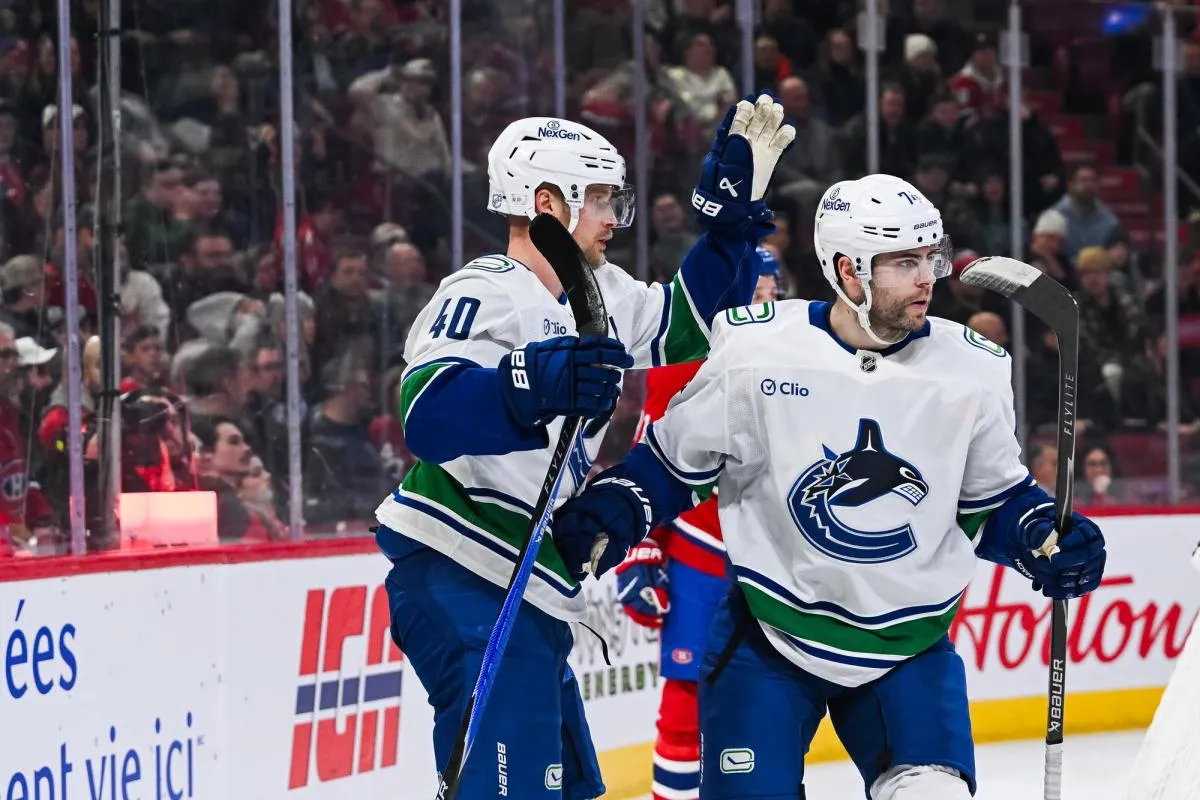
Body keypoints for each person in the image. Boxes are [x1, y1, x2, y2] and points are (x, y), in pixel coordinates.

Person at [553, 174, 1108, 800]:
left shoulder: (973, 367)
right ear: (848, 270)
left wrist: (1041, 534)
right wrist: (616, 508)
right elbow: (673, 462)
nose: (928, 276)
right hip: (770, 634)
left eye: (931, 256)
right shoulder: (758, 348)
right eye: (903, 262)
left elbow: (992, 500)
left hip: (908, 642)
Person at [373, 95, 795, 798]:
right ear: (547, 201)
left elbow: (686, 326)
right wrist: (530, 383)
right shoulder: (487, 290)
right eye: (600, 199)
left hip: (528, 585)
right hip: (463, 567)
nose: (612, 218)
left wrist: (725, 230)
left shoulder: (603, 292)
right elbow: (427, 412)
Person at [617, 245, 782, 800]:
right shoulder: (680, 359)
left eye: (770, 289)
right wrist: (642, 552)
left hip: (775, 555)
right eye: (755, 288)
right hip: (700, 551)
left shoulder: (802, 354)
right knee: (685, 700)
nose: (765, 298)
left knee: (771, 704)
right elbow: (649, 457)